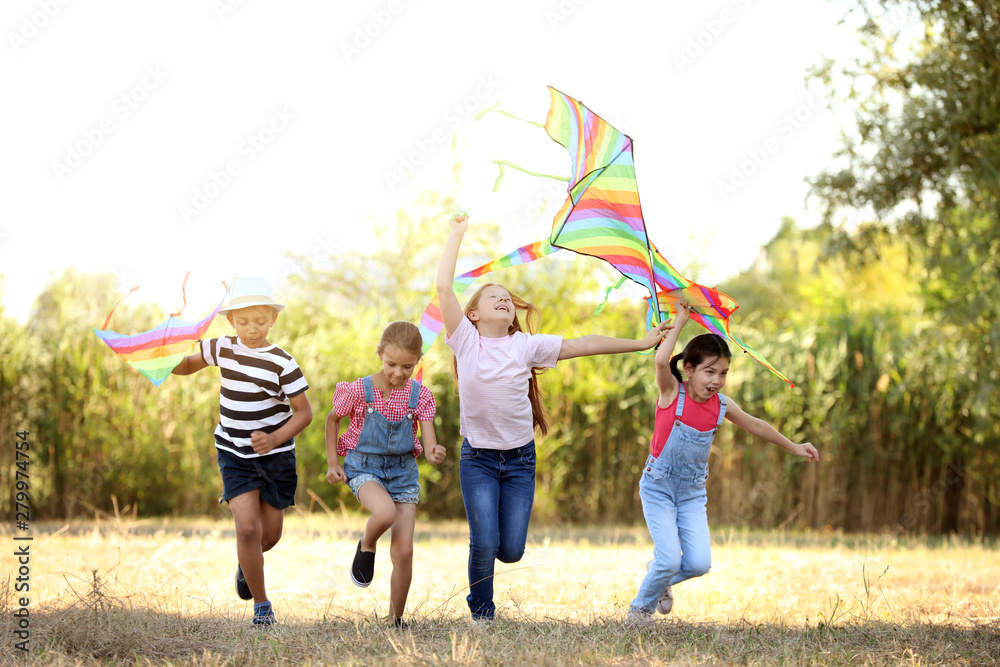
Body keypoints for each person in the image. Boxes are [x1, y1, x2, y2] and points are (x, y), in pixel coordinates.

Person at [436, 212, 671, 624]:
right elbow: (443, 287)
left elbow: (583, 344)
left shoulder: (526, 346)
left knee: (510, 550)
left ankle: (488, 557)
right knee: (482, 541)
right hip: (478, 460)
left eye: (507, 297)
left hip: (520, 461)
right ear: (473, 314)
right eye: (494, 297)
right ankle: (482, 614)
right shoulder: (466, 341)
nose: (504, 299)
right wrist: (457, 234)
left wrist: (638, 344)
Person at [626, 299, 819, 627]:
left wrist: (793, 446)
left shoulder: (721, 405)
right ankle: (639, 610)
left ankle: (659, 578)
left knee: (700, 563)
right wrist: (681, 319)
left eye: (723, 373)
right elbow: (661, 360)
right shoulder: (672, 393)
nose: (716, 380)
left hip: (690, 493)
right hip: (658, 486)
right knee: (670, 558)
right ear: (689, 369)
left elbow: (756, 425)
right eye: (709, 371)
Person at [172, 276, 312, 627]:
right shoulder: (222, 347)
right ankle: (262, 606)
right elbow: (189, 365)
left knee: (270, 535)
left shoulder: (283, 362)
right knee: (247, 530)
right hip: (233, 451)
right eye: (244, 322)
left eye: (260, 321)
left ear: (273, 319)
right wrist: (159, 362)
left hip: (276, 457)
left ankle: (245, 564)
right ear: (232, 320)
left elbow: (305, 412)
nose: (252, 329)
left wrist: (275, 438)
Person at [325, 320, 446, 628]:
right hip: (364, 466)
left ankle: (395, 621)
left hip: (403, 472)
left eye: (407, 366)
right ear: (380, 353)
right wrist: (333, 463)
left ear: (418, 360)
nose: (398, 373)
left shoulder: (420, 396)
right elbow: (332, 419)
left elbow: (429, 441)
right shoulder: (358, 390)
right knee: (384, 512)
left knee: (404, 551)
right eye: (391, 364)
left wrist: (433, 452)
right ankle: (367, 544)